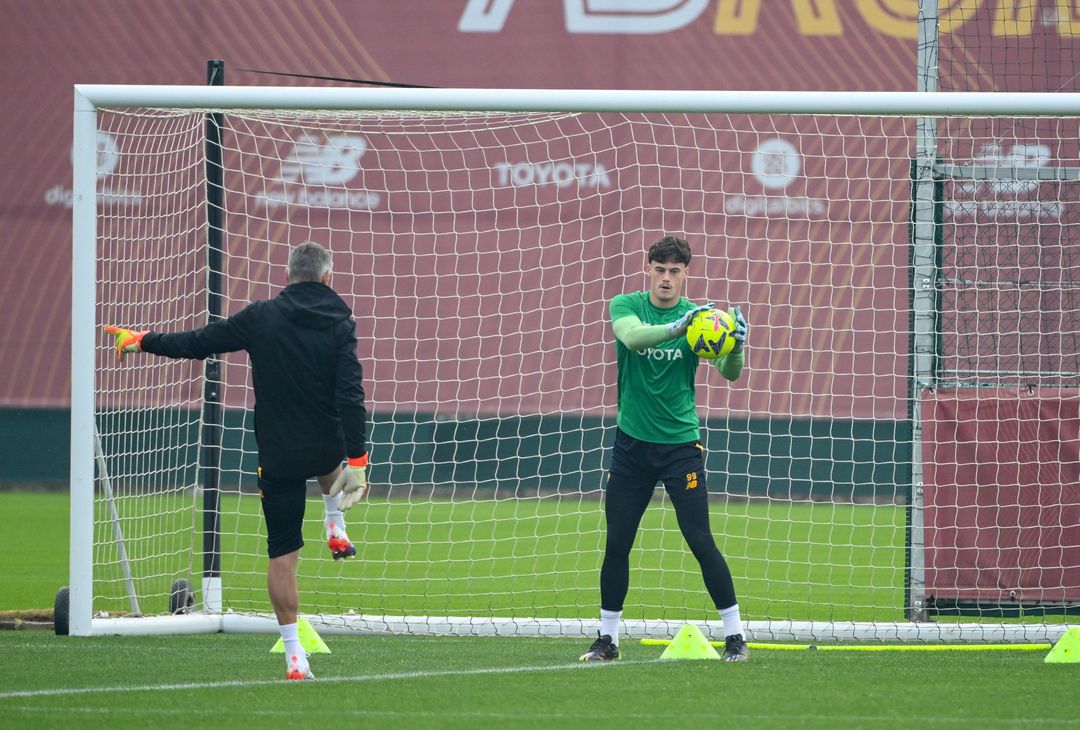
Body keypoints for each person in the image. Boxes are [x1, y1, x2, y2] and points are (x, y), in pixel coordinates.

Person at [104, 241, 369, 681]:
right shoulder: (341, 323)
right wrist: (358, 460)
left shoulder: (260, 316)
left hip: (278, 453)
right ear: (327, 278)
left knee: (283, 556)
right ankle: (335, 523)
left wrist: (143, 340)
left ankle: (294, 657)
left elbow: (198, 342)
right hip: (327, 449)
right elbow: (350, 395)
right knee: (332, 452)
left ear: (288, 276)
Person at [580, 235, 750, 663]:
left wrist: (737, 345)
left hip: (680, 448)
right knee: (618, 542)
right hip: (631, 447)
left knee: (700, 539)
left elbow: (729, 373)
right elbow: (633, 338)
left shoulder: (702, 321)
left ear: (685, 274)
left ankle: (735, 637)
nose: (666, 278)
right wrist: (678, 328)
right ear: (648, 270)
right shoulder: (627, 305)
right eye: (660, 269)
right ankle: (608, 639)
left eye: (675, 271)